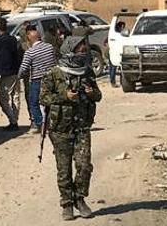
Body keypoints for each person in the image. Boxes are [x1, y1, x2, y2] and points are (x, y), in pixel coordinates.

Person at [40, 35, 102, 221]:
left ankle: (79, 198)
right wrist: (65, 96)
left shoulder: (87, 73)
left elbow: (98, 96)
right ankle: (67, 203)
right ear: (69, 49)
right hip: (60, 129)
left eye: (84, 48)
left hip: (82, 126)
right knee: (64, 169)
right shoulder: (54, 73)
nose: (82, 51)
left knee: (84, 165)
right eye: (79, 48)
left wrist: (92, 94)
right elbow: (43, 98)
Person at [0, 17, 23, 131]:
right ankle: (15, 120)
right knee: (15, 96)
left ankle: (13, 121)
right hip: (16, 71)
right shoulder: (13, 39)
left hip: (8, 73)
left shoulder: (1, 40)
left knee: (3, 98)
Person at [18, 25, 57, 133]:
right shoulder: (49, 47)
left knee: (33, 102)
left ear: (29, 38)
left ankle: (40, 123)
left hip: (37, 80)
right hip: (51, 78)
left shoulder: (30, 52)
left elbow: (24, 68)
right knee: (51, 101)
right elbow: (54, 61)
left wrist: (19, 76)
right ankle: (52, 122)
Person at [108, 21, 127, 88]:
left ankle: (113, 81)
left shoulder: (112, 34)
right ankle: (114, 82)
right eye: (123, 27)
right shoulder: (119, 35)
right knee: (115, 68)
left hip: (112, 52)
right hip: (116, 53)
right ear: (121, 26)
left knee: (112, 68)